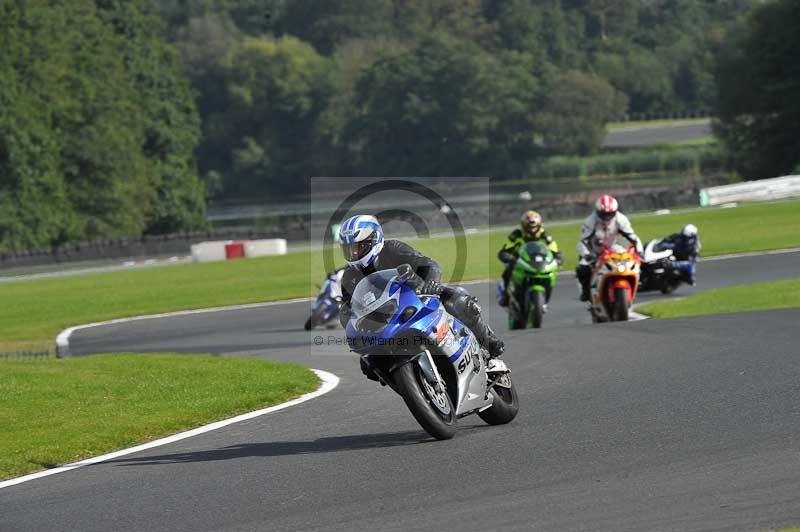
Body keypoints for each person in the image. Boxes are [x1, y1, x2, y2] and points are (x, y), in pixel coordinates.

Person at [337, 214, 505, 364]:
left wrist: (430, 282)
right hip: (384, 322)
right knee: (368, 364)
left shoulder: (394, 248)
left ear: (374, 240)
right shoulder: (349, 276)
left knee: (459, 300)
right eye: (349, 249)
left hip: (415, 297)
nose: (354, 253)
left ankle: (488, 340)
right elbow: (347, 308)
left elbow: (429, 264)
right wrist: (348, 320)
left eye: (359, 247)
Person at [575, 195, 643, 301]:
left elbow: (633, 237)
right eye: (604, 214)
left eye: (610, 214)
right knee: (582, 268)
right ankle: (586, 291)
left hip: (612, 248)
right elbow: (582, 242)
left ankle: (634, 285)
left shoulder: (621, 219)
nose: (607, 217)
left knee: (633, 263)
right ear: (598, 212)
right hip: (592, 251)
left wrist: (639, 251)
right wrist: (587, 256)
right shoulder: (590, 221)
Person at [497, 210, 563, 307]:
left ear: (539, 225)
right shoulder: (517, 234)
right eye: (529, 227)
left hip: (539, 261)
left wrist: (558, 257)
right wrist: (506, 256)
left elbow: (554, 248)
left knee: (551, 273)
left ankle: (544, 300)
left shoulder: (544, 235)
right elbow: (506, 248)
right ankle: (506, 297)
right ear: (523, 225)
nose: (532, 230)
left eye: (534, 227)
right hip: (520, 260)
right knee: (507, 272)